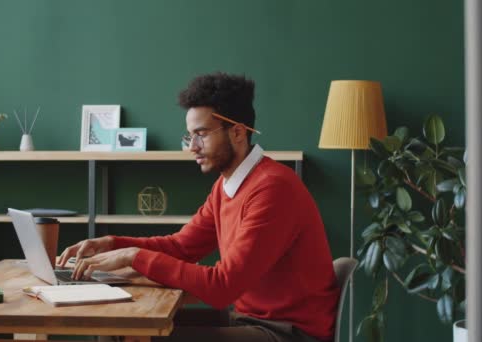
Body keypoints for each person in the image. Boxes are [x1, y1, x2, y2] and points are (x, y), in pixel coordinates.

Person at [58, 72, 339, 342]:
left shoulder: (273, 188)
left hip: (287, 333)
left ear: (238, 133)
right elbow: (182, 247)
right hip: (249, 320)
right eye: (189, 136)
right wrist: (111, 243)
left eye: (201, 134)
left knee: (136, 336)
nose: (192, 146)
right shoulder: (227, 186)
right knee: (123, 327)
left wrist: (134, 256)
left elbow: (222, 287)